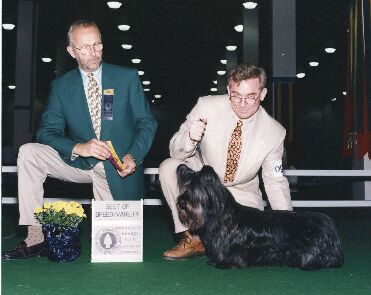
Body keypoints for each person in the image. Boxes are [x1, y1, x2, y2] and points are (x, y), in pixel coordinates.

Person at [2, 20, 157, 259]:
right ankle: (35, 235)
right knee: (29, 152)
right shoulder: (61, 86)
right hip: (78, 162)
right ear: (71, 51)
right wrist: (78, 147)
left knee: (114, 253)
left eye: (97, 45)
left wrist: (133, 155)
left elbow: (147, 122)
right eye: (84, 48)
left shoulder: (127, 77)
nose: (93, 53)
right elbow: (46, 131)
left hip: (117, 169)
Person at [159, 63, 292, 260]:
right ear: (229, 90)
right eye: (236, 95)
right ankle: (192, 238)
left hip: (241, 194)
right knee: (168, 167)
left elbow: (275, 181)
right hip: (203, 184)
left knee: (244, 253)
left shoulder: (275, 132)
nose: (242, 103)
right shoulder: (205, 106)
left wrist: (288, 226)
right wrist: (189, 138)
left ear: (262, 94)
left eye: (251, 97)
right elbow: (174, 151)